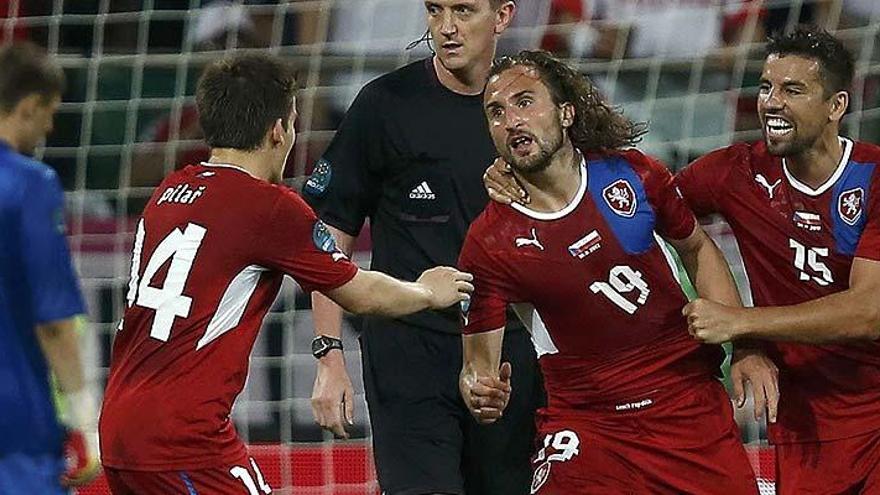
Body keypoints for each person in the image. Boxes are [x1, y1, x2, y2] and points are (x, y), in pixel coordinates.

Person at [98, 52, 474, 494]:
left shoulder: (170, 190)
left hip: (119, 425)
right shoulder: (269, 207)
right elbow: (359, 292)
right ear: (279, 130)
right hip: (181, 438)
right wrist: (428, 291)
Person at [459, 49, 758, 494]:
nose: (511, 121)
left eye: (525, 102)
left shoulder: (632, 177)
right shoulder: (490, 242)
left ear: (565, 113)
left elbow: (697, 248)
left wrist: (744, 345)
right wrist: (479, 392)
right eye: (496, 112)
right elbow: (476, 369)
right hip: (588, 421)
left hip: (684, 402)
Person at [302, 1, 543, 494]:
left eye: (464, 10)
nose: (446, 27)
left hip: (505, 354)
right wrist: (328, 356)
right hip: (407, 352)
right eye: (435, 10)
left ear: (503, 16)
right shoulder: (384, 105)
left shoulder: (529, 115)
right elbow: (328, 237)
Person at [674, 26, 880, 494]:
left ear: (837, 106)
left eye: (793, 90)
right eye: (766, 87)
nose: (771, 102)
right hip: (801, 421)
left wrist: (741, 324)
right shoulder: (735, 172)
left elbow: (870, 312)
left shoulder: (874, 179)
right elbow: (640, 207)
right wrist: (746, 346)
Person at [0, 42, 100, 493]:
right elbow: (55, 323)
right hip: (16, 423)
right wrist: (86, 417)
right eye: (49, 112)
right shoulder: (30, 185)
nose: (50, 126)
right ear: (27, 106)